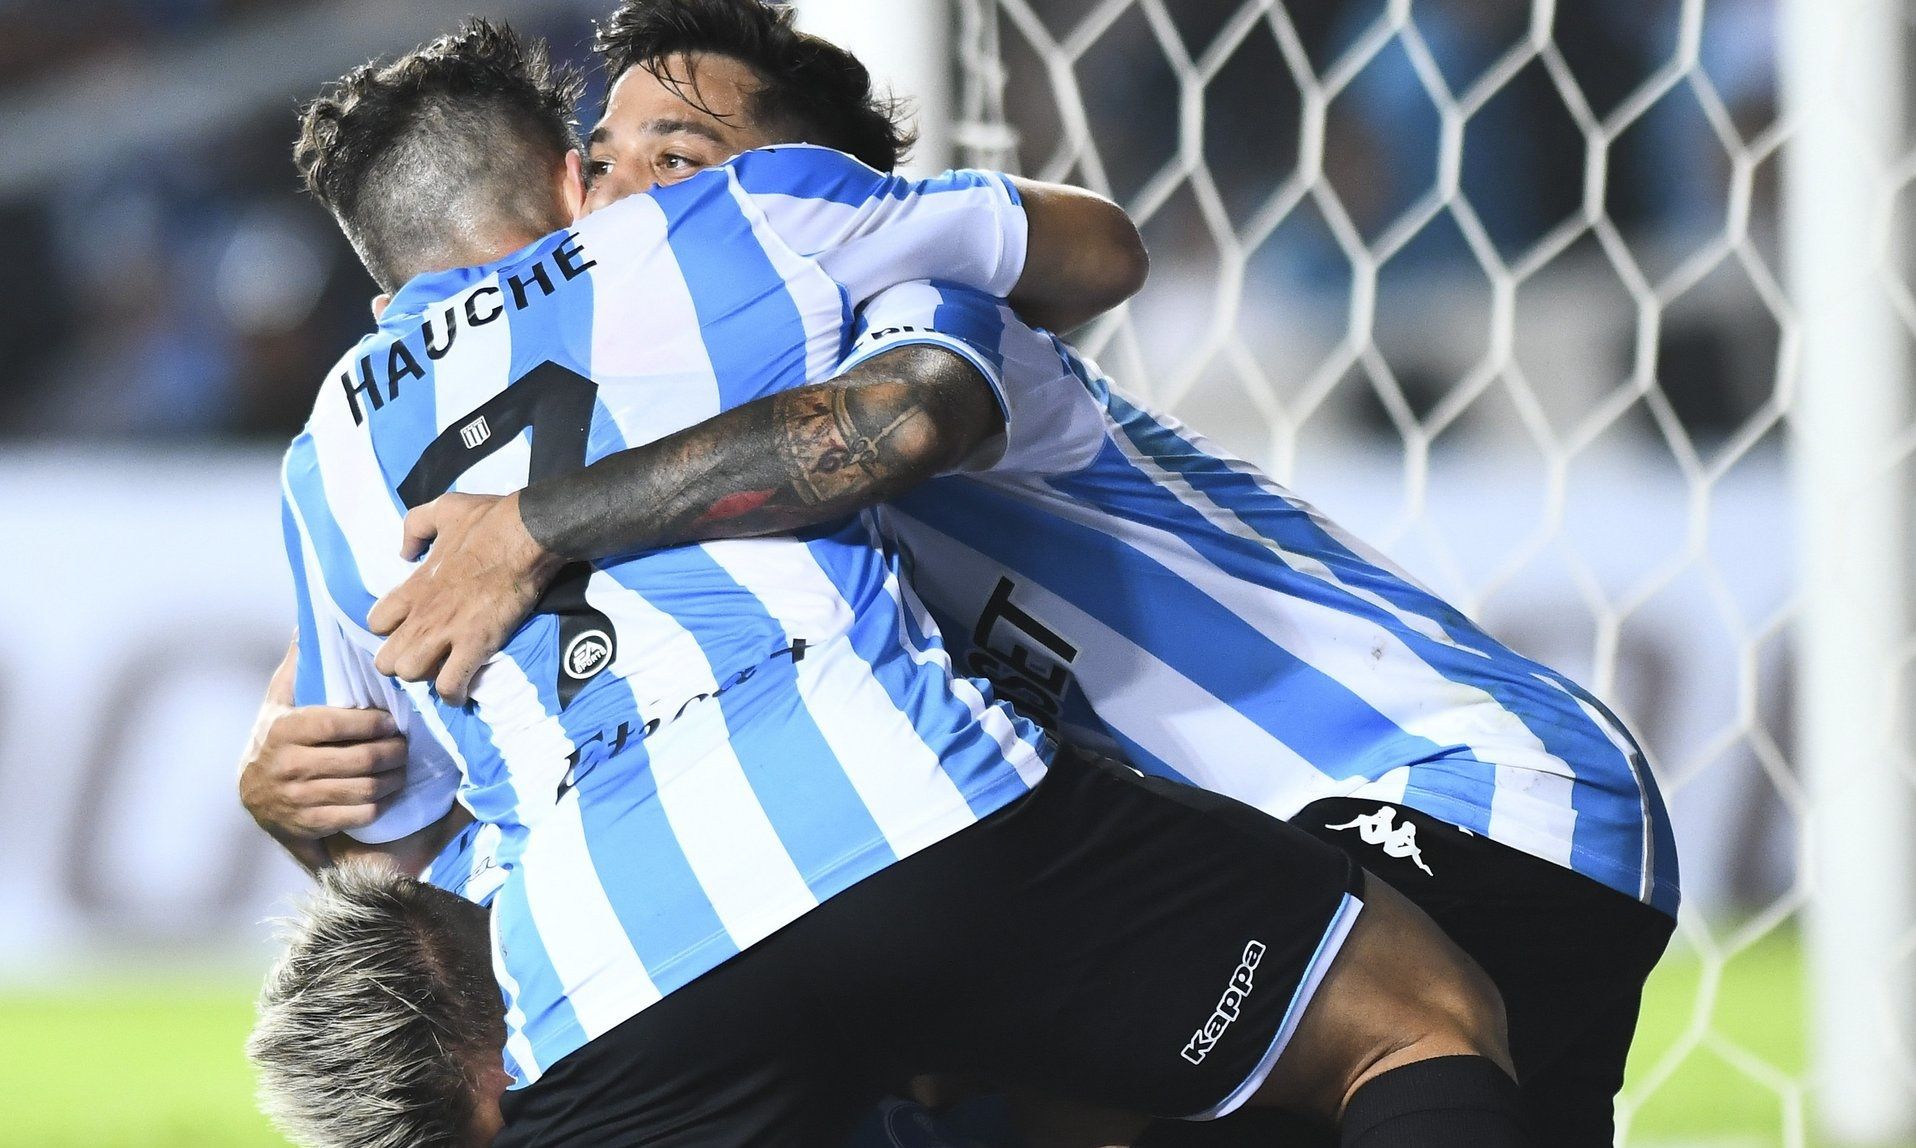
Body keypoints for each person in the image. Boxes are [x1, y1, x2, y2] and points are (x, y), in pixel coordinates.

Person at [275, 3, 1678, 1145]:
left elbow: (894, 422)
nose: (628, 199)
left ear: (822, 196)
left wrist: (538, 522)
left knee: (1295, 1047)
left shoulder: (918, 313)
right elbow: (397, 725)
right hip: (1174, 849)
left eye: (684, 157)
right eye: (606, 156)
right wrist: (284, 775)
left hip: (1451, 788)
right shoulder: (643, 366)